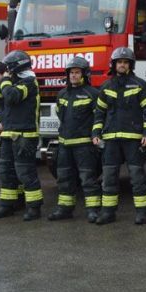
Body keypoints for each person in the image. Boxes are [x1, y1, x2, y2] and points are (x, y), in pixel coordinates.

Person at [92, 47, 146, 226]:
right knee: (109, 177)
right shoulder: (106, 87)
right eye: (119, 62)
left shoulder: (139, 85)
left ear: (130, 65)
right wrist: (96, 133)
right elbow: (99, 113)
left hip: (133, 138)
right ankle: (108, 212)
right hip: (111, 139)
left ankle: (142, 212)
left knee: (137, 176)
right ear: (113, 65)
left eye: (125, 62)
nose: (122, 65)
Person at [0, 50, 44, 221]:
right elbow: (1, 100)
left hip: (24, 135)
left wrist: (5, 81)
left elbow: (12, 97)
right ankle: (7, 205)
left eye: (9, 67)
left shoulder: (29, 82)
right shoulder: (12, 82)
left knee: (26, 173)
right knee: (5, 171)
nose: (7, 70)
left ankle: (34, 208)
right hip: (8, 133)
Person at [48, 56, 102, 222]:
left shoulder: (92, 94)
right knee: (64, 178)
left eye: (77, 72)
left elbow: (99, 118)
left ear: (84, 74)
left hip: (84, 146)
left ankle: (93, 210)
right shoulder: (62, 94)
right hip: (65, 145)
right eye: (71, 73)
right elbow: (60, 114)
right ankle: (65, 209)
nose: (73, 76)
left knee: (88, 179)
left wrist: (95, 136)